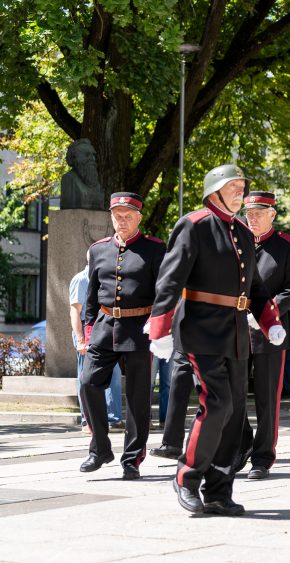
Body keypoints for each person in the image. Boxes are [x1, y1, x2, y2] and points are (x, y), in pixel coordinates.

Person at [147, 164, 284, 516]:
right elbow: (170, 279)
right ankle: (186, 476)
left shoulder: (240, 230)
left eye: (242, 186)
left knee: (236, 414)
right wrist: (159, 328)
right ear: (215, 190)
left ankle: (219, 491)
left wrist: (270, 320)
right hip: (201, 328)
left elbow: (254, 286)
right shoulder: (194, 225)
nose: (240, 192)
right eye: (234, 186)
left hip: (235, 331)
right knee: (218, 402)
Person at [79, 193, 166, 480]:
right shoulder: (98, 250)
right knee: (89, 383)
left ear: (139, 217)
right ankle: (100, 448)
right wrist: (89, 330)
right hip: (104, 327)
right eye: (118, 216)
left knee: (138, 399)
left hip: (139, 330)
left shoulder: (154, 249)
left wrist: (159, 326)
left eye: (128, 216)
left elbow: (164, 292)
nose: (122, 221)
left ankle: (132, 458)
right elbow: (91, 295)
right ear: (111, 217)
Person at [238, 191, 290, 479]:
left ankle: (263, 457)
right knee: (233, 394)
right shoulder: (236, 241)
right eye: (249, 213)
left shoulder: (286, 246)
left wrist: (263, 315)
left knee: (266, 397)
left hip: (270, 331)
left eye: (259, 213)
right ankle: (241, 447)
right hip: (236, 329)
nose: (252, 218)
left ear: (272, 215)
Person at [70, 251, 122, 430]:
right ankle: (87, 420)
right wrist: (80, 339)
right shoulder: (81, 279)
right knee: (86, 377)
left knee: (113, 373)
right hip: (86, 328)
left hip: (104, 327)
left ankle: (114, 418)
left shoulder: (106, 278)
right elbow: (75, 311)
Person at [60, 138, 104, 210]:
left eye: (93, 155)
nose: (92, 159)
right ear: (74, 158)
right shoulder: (68, 179)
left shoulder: (96, 185)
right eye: (87, 155)